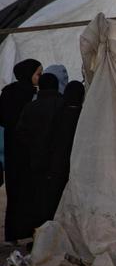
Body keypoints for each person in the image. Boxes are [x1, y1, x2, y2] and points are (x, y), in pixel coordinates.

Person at [15, 71, 65, 227]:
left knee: (38, 197)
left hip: (36, 159)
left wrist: (34, 146)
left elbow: (20, 132)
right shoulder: (63, 105)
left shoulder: (31, 107)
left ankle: (39, 234)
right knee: (57, 198)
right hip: (60, 161)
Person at [0, 59, 41, 242]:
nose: (39, 78)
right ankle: (26, 231)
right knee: (28, 191)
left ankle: (12, 233)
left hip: (11, 149)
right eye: (38, 74)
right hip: (26, 150)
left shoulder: (8, 93)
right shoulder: (30, 96)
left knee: (14, 191)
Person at [46, 80, 83, 217]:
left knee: (55, 198)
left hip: (57, 163)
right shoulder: (84, 115)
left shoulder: (58, 114)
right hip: (77, 164)